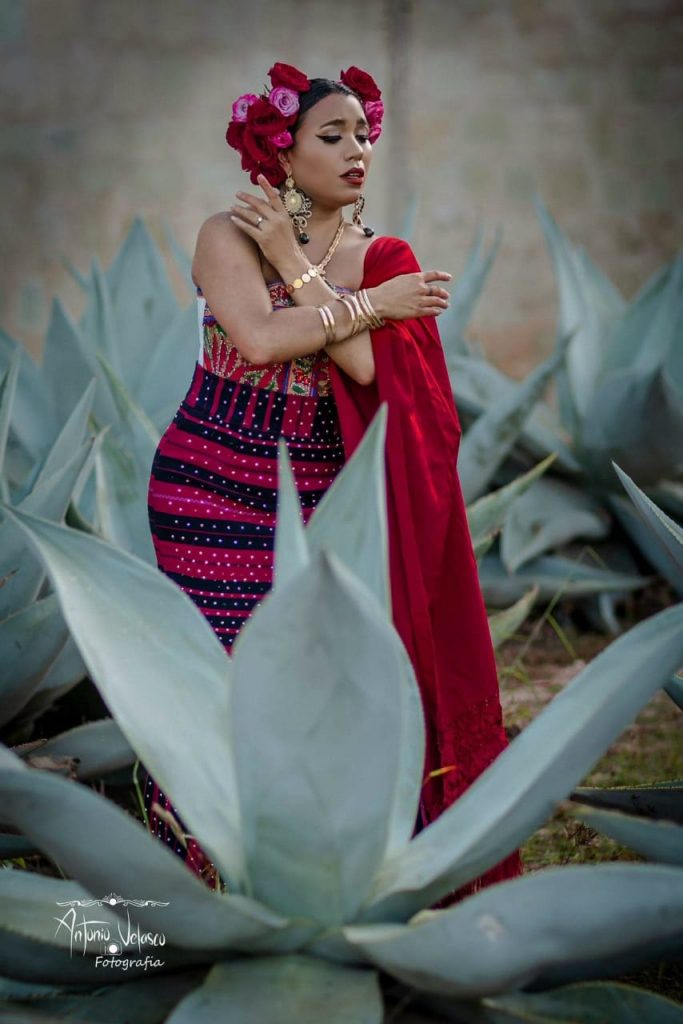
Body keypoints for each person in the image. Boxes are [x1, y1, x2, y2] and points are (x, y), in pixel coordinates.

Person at [142, 62, 523, 901]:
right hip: (208, 483)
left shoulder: (382, 255)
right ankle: (194, 887)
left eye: (363, 134)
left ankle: (309, 874)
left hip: (326, 495)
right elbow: (259, 338)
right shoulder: (226, 234)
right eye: (333, 135)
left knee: (311, 684)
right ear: (281, 152)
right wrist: (370, 304)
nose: (358, 150)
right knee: (220, 677)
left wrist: (312, 274)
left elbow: (354, 364)